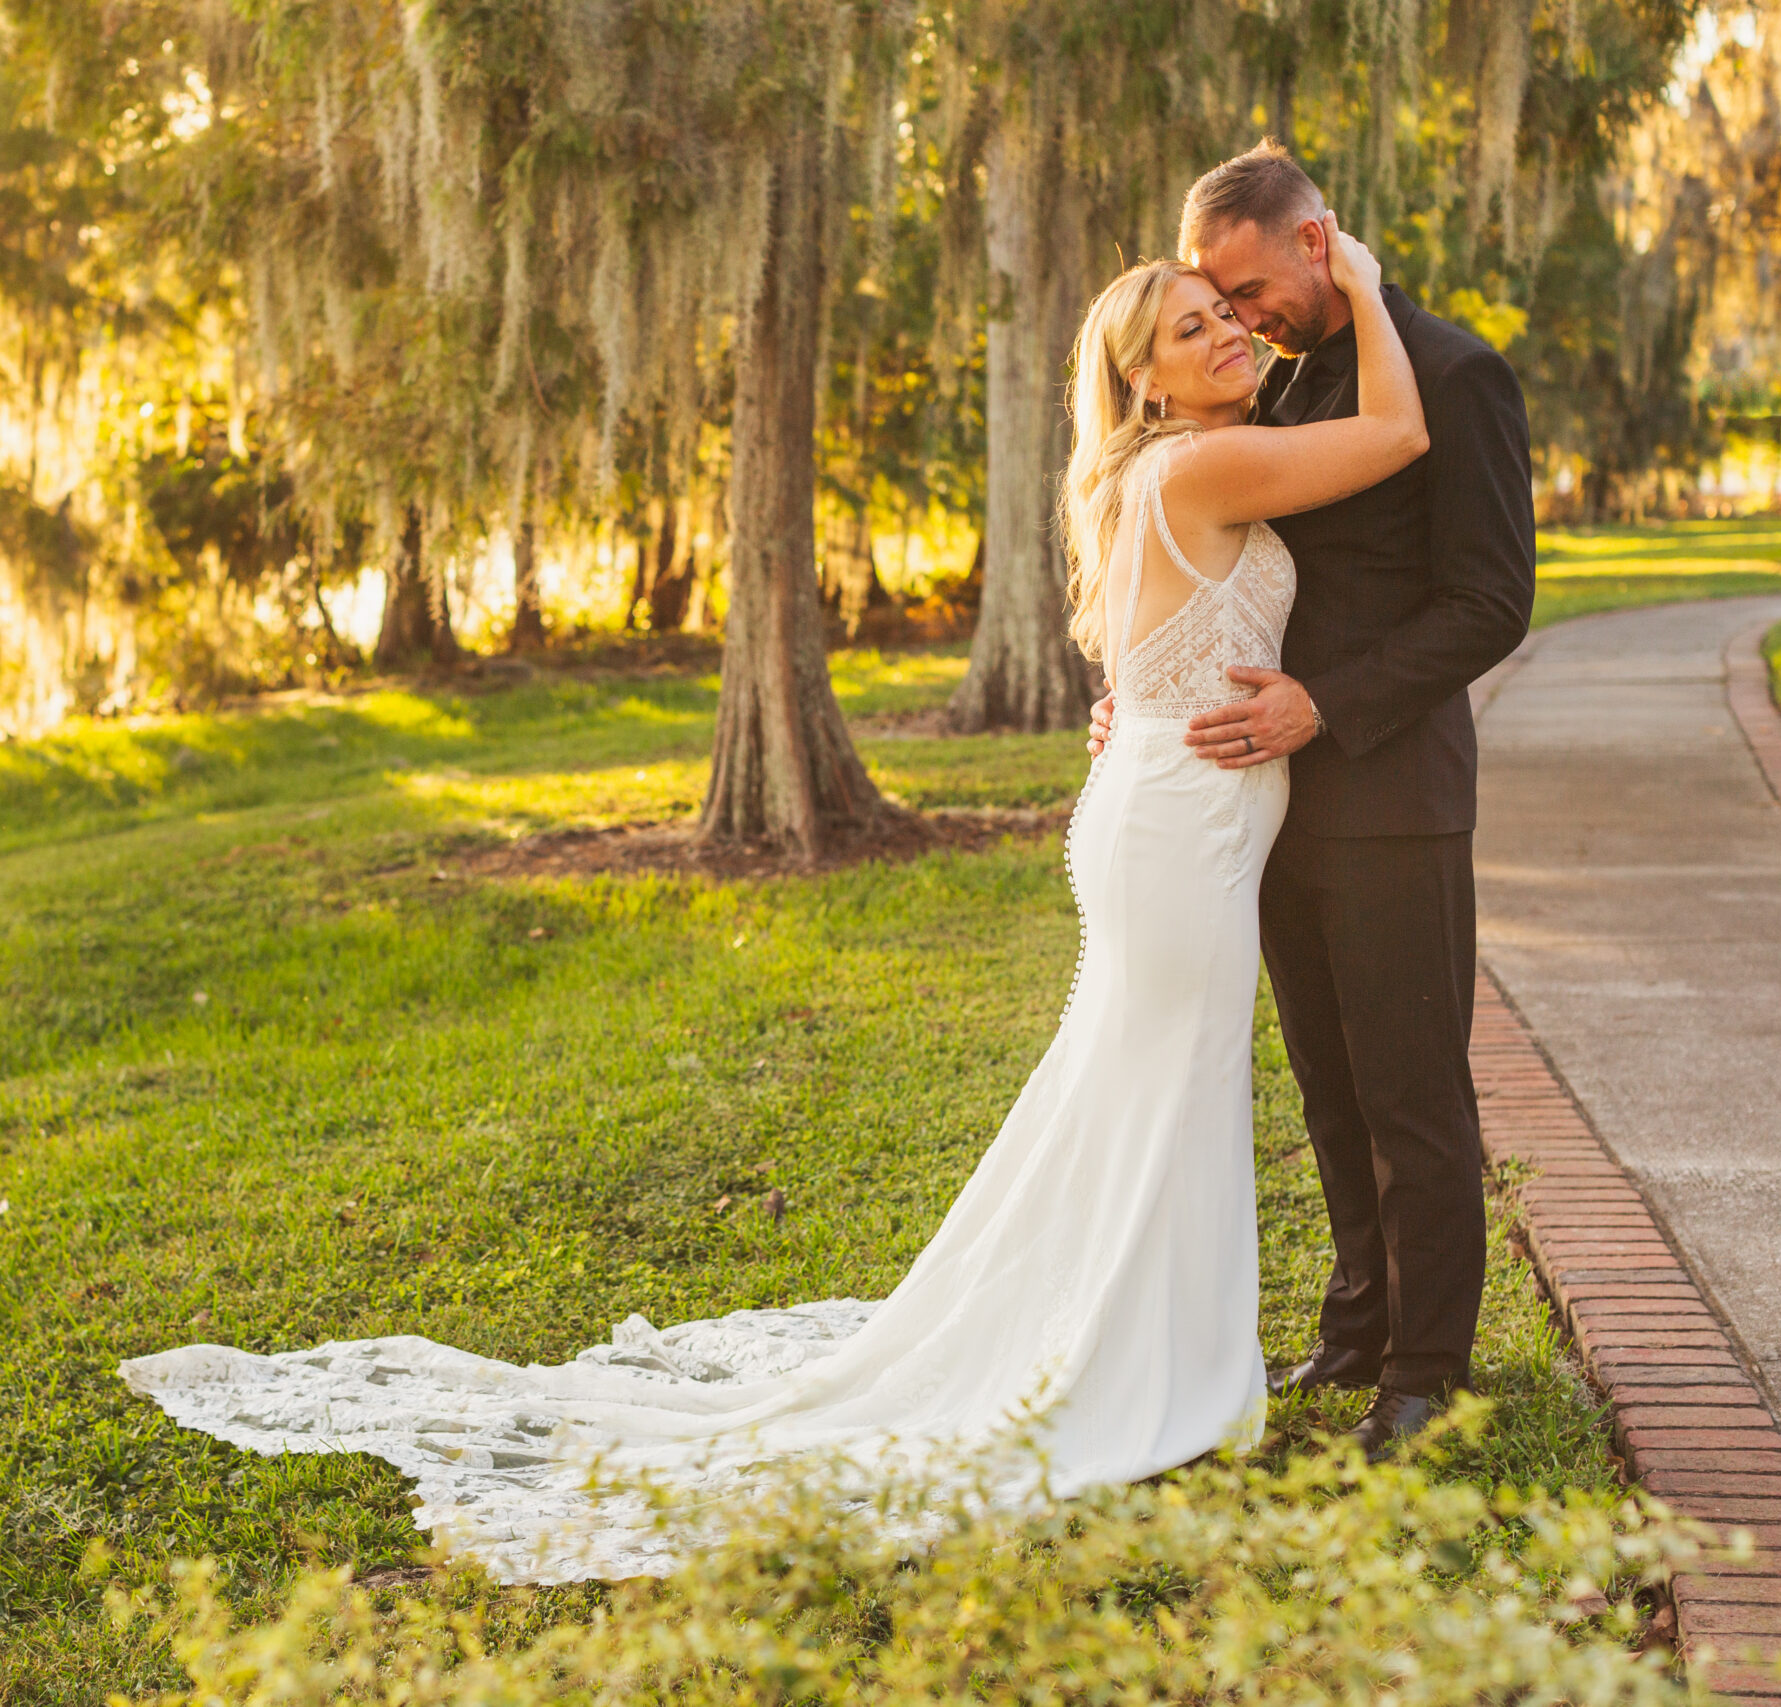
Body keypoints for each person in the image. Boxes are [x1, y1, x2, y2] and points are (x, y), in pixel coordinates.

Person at [117, 223, 1426, 1586]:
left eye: (1227, 311)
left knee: (1147, 1095)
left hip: (1173, 810)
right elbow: (1393, 435)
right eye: (1190, 328)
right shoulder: (1204, 461)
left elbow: (1177, 639)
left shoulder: (1154, 469)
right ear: (1146, 381)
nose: (1223, 333)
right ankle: (1157, 1384)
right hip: (1180, 833)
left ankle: (1154, 1362)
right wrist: (1372, 290)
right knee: (1169, 1093)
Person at [1090, 141, 1537, 1456]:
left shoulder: (1454, 375)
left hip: (1392, 791)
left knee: (1412, 1090)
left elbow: (1491, 604)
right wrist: (1148, 697)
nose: (1241, 319)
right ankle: (1354, 1331)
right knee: (1330, 1086)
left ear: (1316, 240)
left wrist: (1326, 702)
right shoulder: (1272, 394)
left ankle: (1425, 1370)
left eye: (1245, 289)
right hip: (1261, 801)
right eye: (1216, 307)